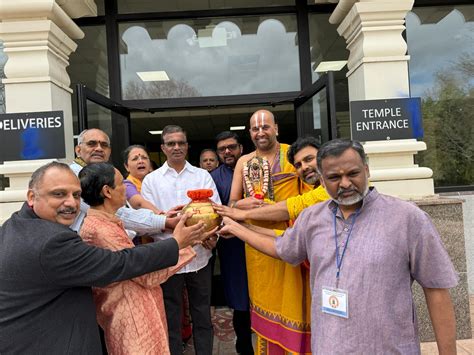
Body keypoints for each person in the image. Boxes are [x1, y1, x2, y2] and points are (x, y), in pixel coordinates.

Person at [220, 139, 458, 354]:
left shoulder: (407, 218)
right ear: (322, 180)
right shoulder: (312, 218)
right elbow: (282, 246)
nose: (345, 183)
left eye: (353, 173)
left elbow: (436, 288)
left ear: (367, 170)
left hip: (388, 348)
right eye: (334, 177)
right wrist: (238, 228)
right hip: (329, 347)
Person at [0, 162, 209, 354]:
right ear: (31, 197)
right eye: (59, 194)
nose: (71, 203)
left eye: (76, 195)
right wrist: (180, 244)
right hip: (127, 324)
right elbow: (123, 264)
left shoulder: (16, 225)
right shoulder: (59, 239)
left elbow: (128, 221)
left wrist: (166, 223)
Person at [79, 163, 203, 354]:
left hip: (139, 313)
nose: (126, 188)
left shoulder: (106, 222)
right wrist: (185, 243)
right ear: (107, 191)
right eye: (122, 183)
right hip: (133, 320)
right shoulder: (100, 231)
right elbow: (146, 275)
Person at [228, 110, 313, 354]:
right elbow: (231, 203)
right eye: (255, 128)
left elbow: (309, 198)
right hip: (256, 244)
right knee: (265, 301)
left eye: (265, 126)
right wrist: (244, 205)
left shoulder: (293, 155)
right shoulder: (244, 162)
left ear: (276, 128)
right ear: (250, 133)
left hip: (291, 239)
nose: (260, 132)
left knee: (295, 301)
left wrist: (275, 211)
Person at [141, 125, 221, 355]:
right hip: (169, 259)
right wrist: (175, 236)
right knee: (172, 316)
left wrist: (212, 236)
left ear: (187, 146)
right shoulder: (151, 181)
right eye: (171, 143)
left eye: (181, 143)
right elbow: (149, 221)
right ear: (163, 148)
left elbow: (216, 213)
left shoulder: (202, 176)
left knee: (202, 315)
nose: (176, 147)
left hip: (200, 258)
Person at [69, 128, 177, 234]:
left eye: (104, 145)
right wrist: (163, 221)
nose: (99, 148)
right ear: (78, 150)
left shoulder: (105, 176)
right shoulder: (72, 176)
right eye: (92, 144)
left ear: (109, 152)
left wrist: (161, 219)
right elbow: (115, 213)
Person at [215, 136, 329, 225]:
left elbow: (290, 208)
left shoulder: (330, 190)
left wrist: (243, 214)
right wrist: (240, 217)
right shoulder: (243, 162)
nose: (304, 167)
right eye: (298, 165)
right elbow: (285, 238)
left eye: (309, 159)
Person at [210, 131, 253, 354]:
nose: (227, 152)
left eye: (232, 147)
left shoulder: (257, 170)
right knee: (239, 298)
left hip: (261, 241)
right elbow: (212, 212)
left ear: (241, 149)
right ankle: (244, 344)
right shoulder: (213, 177)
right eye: (222, 149)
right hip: (232, 247)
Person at [122, 144, 162, 214]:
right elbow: (139, 204)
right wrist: (164, 217)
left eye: (144, 158)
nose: (141, 161)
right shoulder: (125, 186)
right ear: (126, 167)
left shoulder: (159, 181)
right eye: (135, 159)